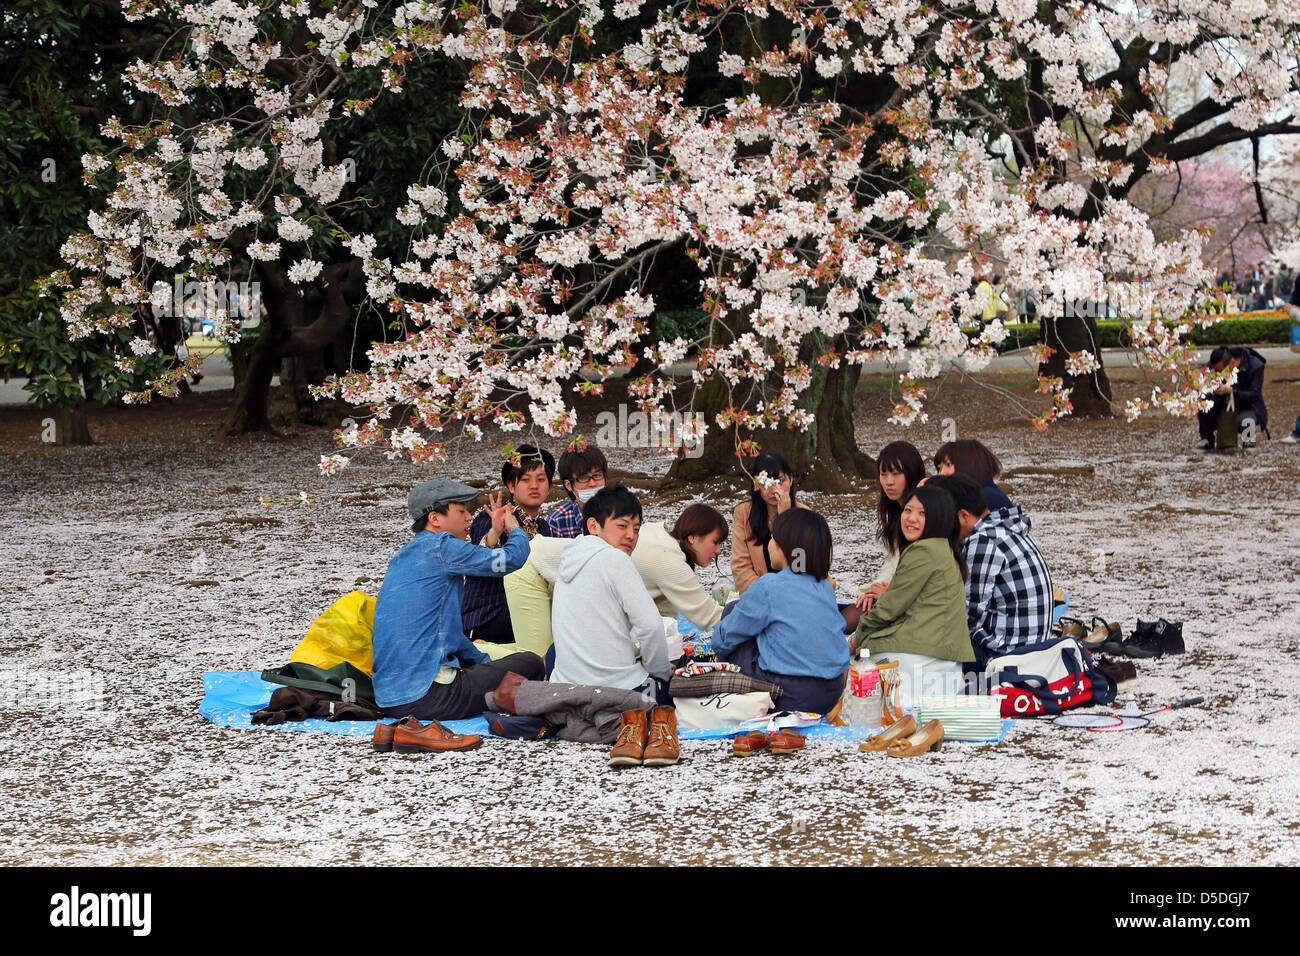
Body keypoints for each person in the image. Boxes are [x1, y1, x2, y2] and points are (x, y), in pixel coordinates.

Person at [371, 479, 546, 722]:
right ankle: (508, 707)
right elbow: (511, 558)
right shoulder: (443, 546)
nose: (469, 519)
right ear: (435, 518)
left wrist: (485, 664)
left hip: (390, 699)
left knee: (498, 664)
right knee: (530, 663)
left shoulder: (405, 555)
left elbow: (451, 635)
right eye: (461, 511)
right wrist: (513, 528)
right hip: (430, 697)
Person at [495, 502, 728, 661]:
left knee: (558, 656)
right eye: (715, 542)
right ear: (693, 537)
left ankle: (482, 648)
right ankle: (468, 651)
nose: (718, 550)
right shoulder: (668, 561)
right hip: (532, 567)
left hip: (563, 583)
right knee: (538, 662)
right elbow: (710, 618)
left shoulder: (662, 540)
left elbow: (663, 620)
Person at [712, 509, 851, 715]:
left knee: (733, 613)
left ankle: (730, 689)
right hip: (831, 691)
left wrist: (718, 645)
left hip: (789, 695)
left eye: (772, 538)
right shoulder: (824, 587)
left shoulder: (769, 586)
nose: (768, 544)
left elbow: (725, 638)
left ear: (785, 547)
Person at [850, 485, 974, 707]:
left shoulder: (923, 551)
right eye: (908, 510)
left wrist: (855, 639)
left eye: (922, 513)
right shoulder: (942, 548)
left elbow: (889, 608)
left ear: (939, 517)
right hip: (941, 658)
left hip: (918, 655)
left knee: (857, 658)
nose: (911, 518)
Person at [550, 486, 672, 702]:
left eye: (636, 529)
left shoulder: (569, 559)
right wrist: (659, 675)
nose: (631, 536)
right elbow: (651, 627)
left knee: (552, 652)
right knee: (673, 687)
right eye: (622, 526)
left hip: (564, 691)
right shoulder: (615, 559)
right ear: (593, 526)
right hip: (618, 692)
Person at [928, 474, 1054, 663]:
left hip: (1007, 656)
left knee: (925, 648)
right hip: (1033, 648)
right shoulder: (1004, 528)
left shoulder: (983, 541)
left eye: (944, 517)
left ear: (963, 516)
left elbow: (967, 617)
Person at [461, 444, 555, 644]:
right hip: (491, 615)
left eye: (541, 479)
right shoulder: (493, 519)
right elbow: (479, 561)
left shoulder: (545, 528)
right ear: (512, 486)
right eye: (526, 480)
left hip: (529, 614)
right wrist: (495, 532)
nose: (534, 486)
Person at [858, 441, 925, 612]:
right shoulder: (895, 512)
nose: (889, 482)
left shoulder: (922, 516)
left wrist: (890, 593)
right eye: (883, 474)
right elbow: (893, 561)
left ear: (911, 473)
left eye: (896, 474)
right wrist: (874, 589)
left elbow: (921, 572)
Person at [731, 451, 802, 596]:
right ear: (756, 485)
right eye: (766, 483)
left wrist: (785, 518)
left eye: (780, 481)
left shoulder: (804, 515)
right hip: (759, 596)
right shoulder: (744, 513)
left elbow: (800, 565)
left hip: (794, 596)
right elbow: (741, 567)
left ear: (791, 479)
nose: (773, 490)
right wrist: (767, 594)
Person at [1196, 346, 1268, 450]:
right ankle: (1206, 439)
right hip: (1219, 405)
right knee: (1203, 403)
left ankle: (1249, 441)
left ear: (1233, 362)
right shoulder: (1213, 366)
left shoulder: (1255, 366)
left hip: (1246, 406)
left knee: (1248, 420)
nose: (1220, 372)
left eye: (1221, 370)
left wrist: (1232, 391)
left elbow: (1254, 395)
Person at [547, 443, 607, 538]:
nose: (592, 484)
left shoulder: (623, 511)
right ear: (568, 485)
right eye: (583, 478)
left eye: (597, 475)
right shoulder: (557, 522)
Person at [933, 438, 1012, 510]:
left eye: (948, 464)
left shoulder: (985, 497)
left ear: (970, 464)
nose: (941, 473)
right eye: (939, 468)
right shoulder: (978, 493)